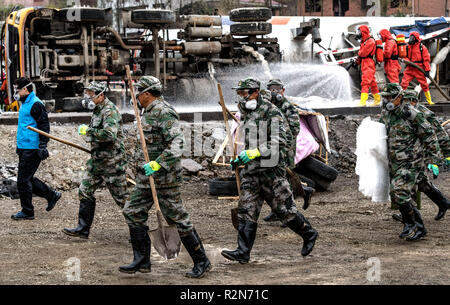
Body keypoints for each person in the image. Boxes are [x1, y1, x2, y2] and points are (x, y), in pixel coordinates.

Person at [120, 76, 211, 279]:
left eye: (138, 92)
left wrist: (158, 163)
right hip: (146, 178)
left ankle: (202, 261)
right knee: (132, 211)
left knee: (177, 219)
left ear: (147, 94)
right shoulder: (146, 112)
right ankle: (142, 261)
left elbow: (177, 143)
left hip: (165, 179)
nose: (136, 96)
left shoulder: (163, 112)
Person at [221, 77, 318, 264]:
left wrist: (256, 152)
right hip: (251, 171)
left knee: (284, 211)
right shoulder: (246, 112)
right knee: (246, 209)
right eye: (239, 94)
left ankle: (309, 233)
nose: (241, 98)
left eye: (244, 93)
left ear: (256, 92)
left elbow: (281, 140)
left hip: (271, 171)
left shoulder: (271, 112)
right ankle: (243, 252)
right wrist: (241, 158)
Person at [62, 81, 129, 238]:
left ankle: (140, 230)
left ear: (101, 95)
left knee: (123, 199)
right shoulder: (98, 110)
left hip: (112, 164)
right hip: (97, 162)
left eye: (91, 95)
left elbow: (109, 135)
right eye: (88, 94)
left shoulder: (110, 111)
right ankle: (83, 229)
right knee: (85, 191)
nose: (88, 98)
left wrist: (89, 131)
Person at [379, 83, 442, 241]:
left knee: (399, 191)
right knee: (398, 193)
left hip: (412, 160)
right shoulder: (386, 114)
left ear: (399, 98)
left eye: (388, 97)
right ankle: (416, 225)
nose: (386, 101)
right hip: (395, 161)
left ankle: (413, 224)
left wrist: (434, 159)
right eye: (384, 97)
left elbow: (429, 134)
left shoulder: (411, 114)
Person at [391, 90, 449, 222]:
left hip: (419, 153)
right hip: (410, 152)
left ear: (414, 101)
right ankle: (442, 203)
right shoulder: (404, 113)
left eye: (409, 101)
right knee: (421, 182)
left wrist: (444, 156)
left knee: (408, 182)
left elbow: (440, 134)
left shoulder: (423, 113)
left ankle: (411, 217)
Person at [262, 79, 314, 224]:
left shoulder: (287, 107)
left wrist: (283, 144)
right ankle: (277, 210)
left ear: (283, 90)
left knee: (284, 179)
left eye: (277, 88)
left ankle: (291, 212)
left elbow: (295, 129)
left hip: (286, 148)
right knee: (274, 179)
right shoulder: (269, 106)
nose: (274, 91)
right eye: (271, 89)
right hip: (273, 146)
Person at [11, 77, 61, 220]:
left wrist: (42, 145)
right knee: (27, 178)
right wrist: (19, 147)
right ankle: (51, 195)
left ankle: (27, 212)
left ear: (25, 90)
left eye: (17, 89)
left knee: (23, 180)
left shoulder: (35, 104)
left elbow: (44, 126)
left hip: (32, 148)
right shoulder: (25, 103)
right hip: (24, 146)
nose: (16, 92)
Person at [400, 31, 434, 105]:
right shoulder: (408, 47)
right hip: (410, 68)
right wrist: (408, 61)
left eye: (413, 37)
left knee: (424, 84)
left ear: (416, 38)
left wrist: (427, 70)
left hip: (419, 68)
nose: (411, 39)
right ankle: (400, 99)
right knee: (403, 83)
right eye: (411, 37)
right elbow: (405, 56)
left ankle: (429, 101)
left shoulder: (422, 47)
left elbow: (426, 60)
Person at [356, 25, 381, 107]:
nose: (358, 33)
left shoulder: (370, 41)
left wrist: (359, 53)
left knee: (365, 82)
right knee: (373, 83)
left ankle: (363, 102)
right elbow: (361, 54)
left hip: (368, 63)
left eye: (359, 31)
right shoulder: (364, 41)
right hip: (365, 63)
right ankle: (377, 100)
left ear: (363, 32)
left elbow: (363, 53)